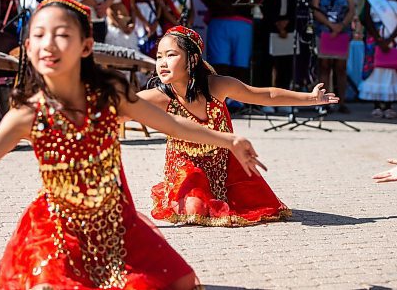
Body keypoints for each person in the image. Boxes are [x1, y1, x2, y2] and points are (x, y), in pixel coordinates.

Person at [0, 0, 264, 289]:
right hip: (59, 228)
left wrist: (229, 138)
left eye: (61, 34)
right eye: (39, 35)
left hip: (116, 224)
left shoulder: (111, 95)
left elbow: (174, 124)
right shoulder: (27, 114)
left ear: (86, 45)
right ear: (28, 46)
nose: (48, 44)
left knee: (178, 282)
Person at [138, 26, 339, 227]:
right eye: (158, 57)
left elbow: (265, 95)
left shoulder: (218, 86)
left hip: (225, 164)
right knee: (194, 210)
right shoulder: (160, 97)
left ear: (192, 59)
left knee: (253, 205)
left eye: (171, 55)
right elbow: (120, 107)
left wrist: (311, 98)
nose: (162, 63)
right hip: (186, 166)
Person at [200, 0, 261, 83]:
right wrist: (233, 6)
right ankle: (218, 97)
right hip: (220, 25)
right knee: (219, 63)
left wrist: (226, 4)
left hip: (242, 25)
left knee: (241, 61)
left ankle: (238, 99)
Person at [359, 0, 397, 119]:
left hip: (395, 39)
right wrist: (379, 39)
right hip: (376, 39)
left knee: (392, 70)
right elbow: (366, 19)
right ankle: (377, 105)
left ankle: (389, 105)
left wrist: (391, 38)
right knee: (377, 70)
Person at [312, 0, 355, 114]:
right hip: (325, 32)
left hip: (341, 33)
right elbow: (315, 10)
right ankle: (323, 102)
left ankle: (341, 102)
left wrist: (341, 25)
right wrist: (331, 25)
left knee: (340, 68)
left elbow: (351, 11)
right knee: (324, 66)